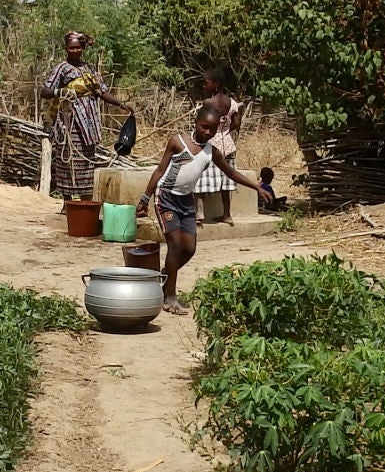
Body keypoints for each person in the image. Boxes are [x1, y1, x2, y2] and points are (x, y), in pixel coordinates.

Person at [137, 105, 266, 314]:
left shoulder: (211, 152)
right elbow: (160, 170)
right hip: (166, 198)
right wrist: (144, 198)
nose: (207, 132)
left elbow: (231, 173)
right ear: (196, 123)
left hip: (187, 202)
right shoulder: (177, 142)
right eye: (204, 127)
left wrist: (256, 187)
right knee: (176, 245)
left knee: (189, 249)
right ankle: (170, 297)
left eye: (212, 130)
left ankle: (166, 276)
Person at [41, 31, 133, 200]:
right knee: (67, 160)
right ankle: (67, 203)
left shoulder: (89, 70)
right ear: (66, 48)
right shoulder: (61, 68)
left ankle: (85, 201)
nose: (75, 51)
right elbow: (45, 91)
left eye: (77, 47)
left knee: (86, 162)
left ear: (82, 48)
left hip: (88, 125)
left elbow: (101, 92)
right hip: (69, 123)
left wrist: (120, 104)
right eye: (71, 48)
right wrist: (60, 91)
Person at [188, 68, 246, 214]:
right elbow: (236, 124)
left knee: (200, 176)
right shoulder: (232, 103)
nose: (204, 86)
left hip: (210, 145)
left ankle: (200, 213)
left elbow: (202, 123)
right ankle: (226, 214)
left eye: (206, 83)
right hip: (228, 146)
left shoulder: (208, 103)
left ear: (216, 84)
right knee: (226, 179)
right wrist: (224, 129)